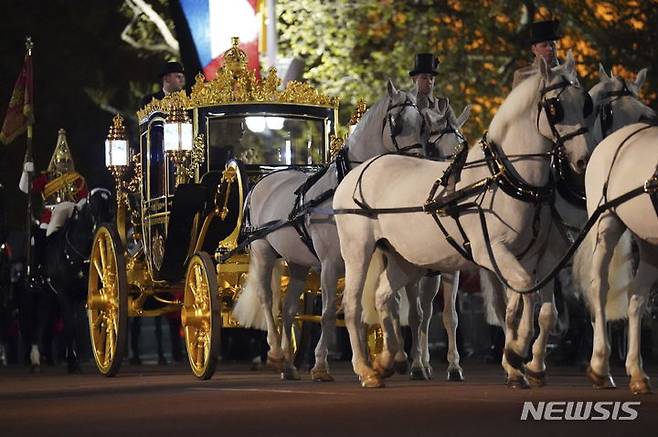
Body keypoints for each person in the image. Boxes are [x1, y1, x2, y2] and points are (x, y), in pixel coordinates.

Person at [512, 19, 561, 89]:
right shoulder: (523, 75)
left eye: (552, 45)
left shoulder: (565, 73)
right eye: (544, 45)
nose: (550, 48)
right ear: (534, 49)